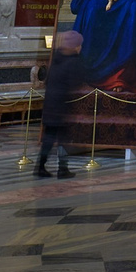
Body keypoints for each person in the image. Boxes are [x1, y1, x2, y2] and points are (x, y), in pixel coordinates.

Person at [38, 30, 85, 177]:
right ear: (74, 46)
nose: (80, 48)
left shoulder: (56, 60)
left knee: (49, 139)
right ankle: (62, 169)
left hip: (50, 105)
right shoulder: (71, 62)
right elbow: (74, 83)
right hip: (60, 107)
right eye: (79, 45)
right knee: (63, 141)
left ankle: (40, 167)